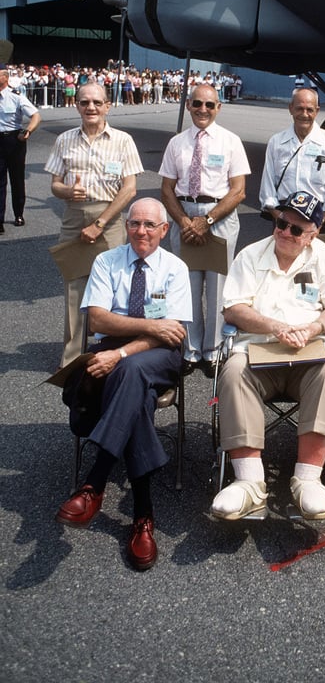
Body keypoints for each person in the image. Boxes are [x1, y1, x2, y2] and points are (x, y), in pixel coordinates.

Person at [54, 198, 192, 571]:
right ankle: (143, 517)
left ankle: (94, 481)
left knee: (129, 371)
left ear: (164, 230)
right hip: (125, 348)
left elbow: (173, 334)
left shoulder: (176, 268)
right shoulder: (107, 261)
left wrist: (122, 353)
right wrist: (147, 328)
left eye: (150, 225)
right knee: (139, 397)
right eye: (135, 224)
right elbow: (97, 320)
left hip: (160, 354)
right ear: (126, 226)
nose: (141, 231)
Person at [211, 191, 325, 522]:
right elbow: (233, 309)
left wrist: (315, 327)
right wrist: (274, 326)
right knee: (233, 370)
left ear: (313, 233)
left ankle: (309, 480)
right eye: (282, 224)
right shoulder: (250, 255)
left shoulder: (323, 257)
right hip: (258, 350)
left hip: (308, 352)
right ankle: (249, 482)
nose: (285, 233)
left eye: (296, 230)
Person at [45, 82, 143, 364]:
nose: (91, 107)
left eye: (97, 102)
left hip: (109, 220)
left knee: (112, 288)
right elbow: (54, 184)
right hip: (74, 217)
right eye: (85, 102)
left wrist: (99, 223)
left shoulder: (123, 140)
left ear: (107, 106)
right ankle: (73, 357)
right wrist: (66, 191)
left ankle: (109, 351)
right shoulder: (64, 140)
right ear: (77, 105)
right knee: (74, 288)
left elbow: (129, 189)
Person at [159, 82, 250, 375]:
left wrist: (206, 221)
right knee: (187, 285)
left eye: (209, 105)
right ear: (188, 106)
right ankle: (191, 349)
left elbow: (238, 191)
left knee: (217, 288)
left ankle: (213, 351)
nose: (203, 110)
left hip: (219, 218)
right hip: (184, 216)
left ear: (218, 108)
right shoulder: (177, 143)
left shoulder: (231, 141)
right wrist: (185, 222)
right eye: (197, 104)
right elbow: (167, 188)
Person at [259, 87, 325, 249]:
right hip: (283, 219)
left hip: (319, 219)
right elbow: (267, 189)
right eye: (299, 108)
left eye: (309, 109)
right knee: (282, 270)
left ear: (317, 111)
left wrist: (316, 225)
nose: (304, 114)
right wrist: (282, 220)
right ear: (291, 108)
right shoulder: (276, 142)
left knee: (316, 271)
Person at [0, 63, 41, 233]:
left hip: (15, 140)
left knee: (17, 179)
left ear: (5, 77)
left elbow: (36, 115)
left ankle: (18, 214)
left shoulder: (16, 96)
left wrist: (28, 131)